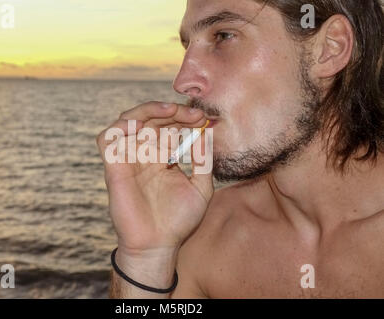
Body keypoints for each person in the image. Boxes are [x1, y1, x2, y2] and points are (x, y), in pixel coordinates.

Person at [96, 0, 383, 298]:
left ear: (330, 48)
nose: (183, 82)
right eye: (187, 46)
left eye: (223, 36)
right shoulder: (205, 234)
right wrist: (146, 257)